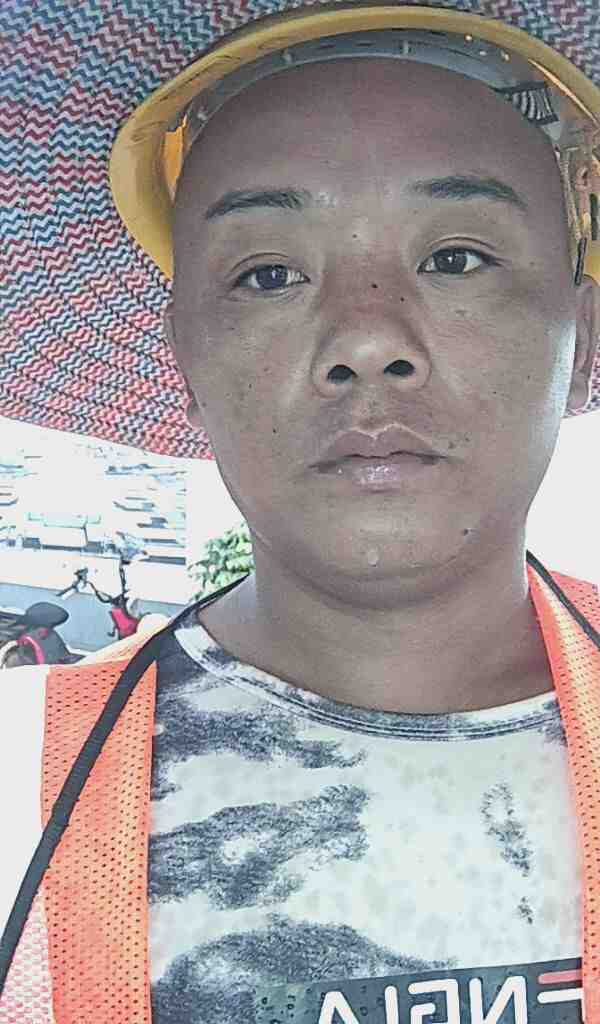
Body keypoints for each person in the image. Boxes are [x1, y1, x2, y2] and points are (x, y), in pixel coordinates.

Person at [0, 2, 600, 1022]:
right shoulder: (16, 797)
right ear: (185, 357)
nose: (367, 340)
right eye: (269, 274)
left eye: (456, 257)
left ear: (581, 337)